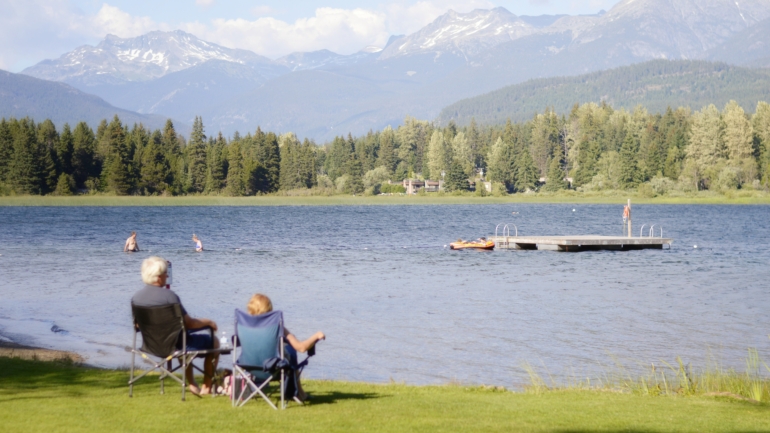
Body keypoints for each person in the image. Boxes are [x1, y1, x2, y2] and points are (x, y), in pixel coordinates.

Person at [132, 256, 219, 395]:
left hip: (151, 345)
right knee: (214, 342)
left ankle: (192, 384)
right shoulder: (170, 297)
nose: (167, 275)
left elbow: (137, 325)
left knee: (181, 338)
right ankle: (206, 387)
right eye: (166, 273)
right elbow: (189, 323)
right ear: (159, 277)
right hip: (175, 345)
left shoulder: (136, 298)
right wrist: (208, 322)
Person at [246, 293, 324, 403]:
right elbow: (301, 348)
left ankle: (301, 393)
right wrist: (317, 335)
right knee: (290, 352)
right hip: (273, 370)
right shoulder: (276, 327)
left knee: (287, 351)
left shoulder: (246, 327)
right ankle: (300, 394)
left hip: (251, 368)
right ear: (269, 310)